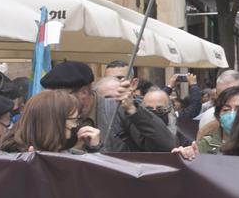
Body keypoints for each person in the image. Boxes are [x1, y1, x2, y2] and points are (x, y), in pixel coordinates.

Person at [41, 61, 174, 152]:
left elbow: (166, 145)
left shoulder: (118, 109)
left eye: (62, 95)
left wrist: (134, 110)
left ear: (84, 92)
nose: (56, 101)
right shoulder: (51, 114)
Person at [1, 90, 100, 154]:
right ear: (54, 123)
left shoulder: (66, 153)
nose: (77, 126)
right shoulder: (11, 161)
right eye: (74, 120)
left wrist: (94, 148)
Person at [195, 86, 239, 155]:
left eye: (238, 110)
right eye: (226, 110)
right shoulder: (206, 144)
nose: (232, 114)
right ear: (218, 115)